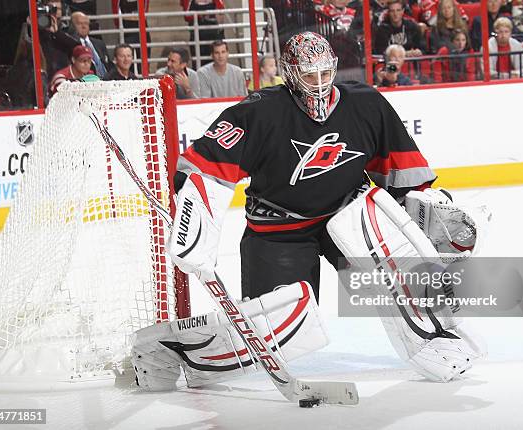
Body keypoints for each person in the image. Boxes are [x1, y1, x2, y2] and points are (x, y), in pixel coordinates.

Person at [150, 32, 484, 389]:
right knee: (284, 330)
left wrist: (423, 210)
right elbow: (202, 166)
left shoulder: (365, 103)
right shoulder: (259, 111)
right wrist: (195, 214)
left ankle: (430, 341)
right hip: (280, 228)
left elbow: (400, 166)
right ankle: (168, 352)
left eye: (326, 73)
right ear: (291, 73)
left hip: (349, 214)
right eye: (310, 75)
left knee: (395, 274)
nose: (320, 84)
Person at [181, 0, 226, 66]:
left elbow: (221, 9)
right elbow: (187, 16)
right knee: (198, 62)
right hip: (197, 34)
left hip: (213, 34)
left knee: (216, 61)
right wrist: (200, 15)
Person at [69, 11, 111, 78]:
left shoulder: (99, 43)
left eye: (86, 23)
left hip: (107, 80)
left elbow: (109, 65)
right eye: (80, 23)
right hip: (89, 80)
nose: (84, 26)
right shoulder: (71, 43)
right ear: (73, 26)